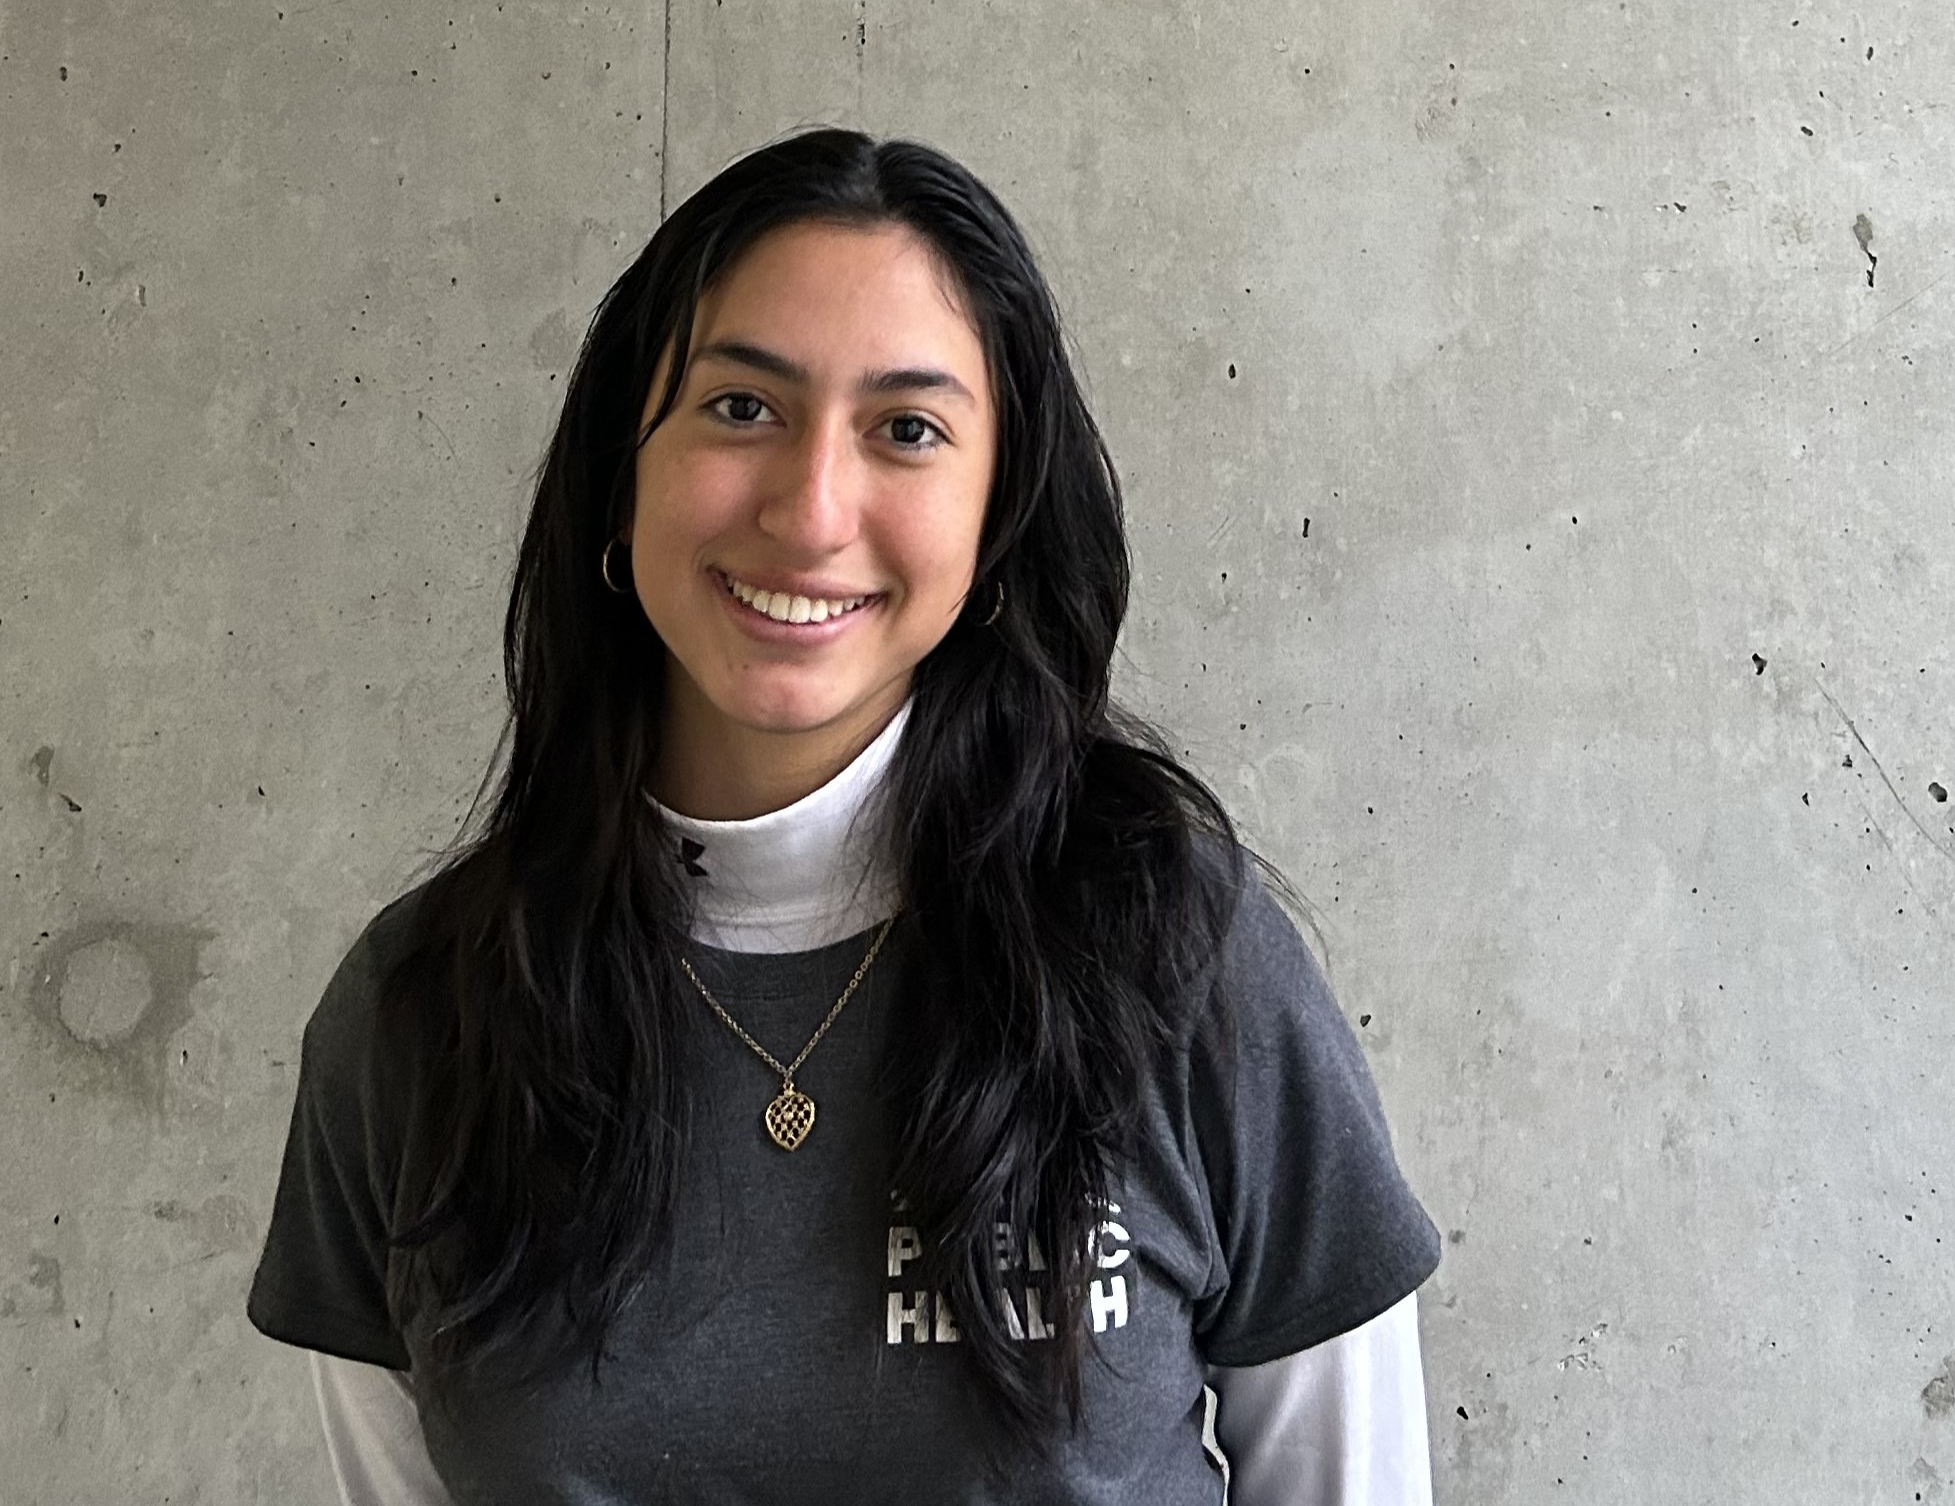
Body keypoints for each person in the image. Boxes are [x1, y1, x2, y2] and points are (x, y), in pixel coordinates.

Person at [247, 128, 1440, 1504]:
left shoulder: (1182, 963)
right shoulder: (418, 1015)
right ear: (618, 469)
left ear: (997, 518)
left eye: (908, 430)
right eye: (741, 408)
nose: (812, 512)